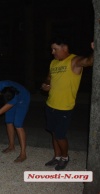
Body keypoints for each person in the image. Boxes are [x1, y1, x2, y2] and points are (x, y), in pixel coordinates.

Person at [41, 36, 94, 170]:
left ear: (65, 48)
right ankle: (57, 156)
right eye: (52, 49)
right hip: (50, 104)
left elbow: (89, 61)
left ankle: (65, 157)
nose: (52, 52)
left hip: (64, 107)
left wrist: (96, 50)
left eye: (55, 49)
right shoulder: (53, 63)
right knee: (53, 132)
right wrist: (46, 85)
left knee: (60, 135)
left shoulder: (74, 61)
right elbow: (48, 78)